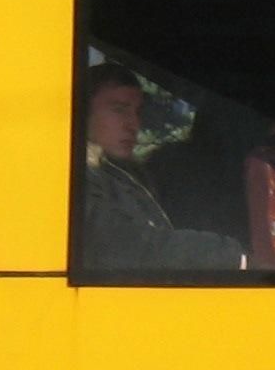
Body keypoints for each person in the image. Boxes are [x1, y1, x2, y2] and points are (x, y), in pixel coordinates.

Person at [76, 64, 243, 271]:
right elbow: (122, 247)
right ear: (82, 112)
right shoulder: (73, 178)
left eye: (137, 112)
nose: (133, 124)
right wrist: (230, 255)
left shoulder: (134, 177)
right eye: (119, 109)